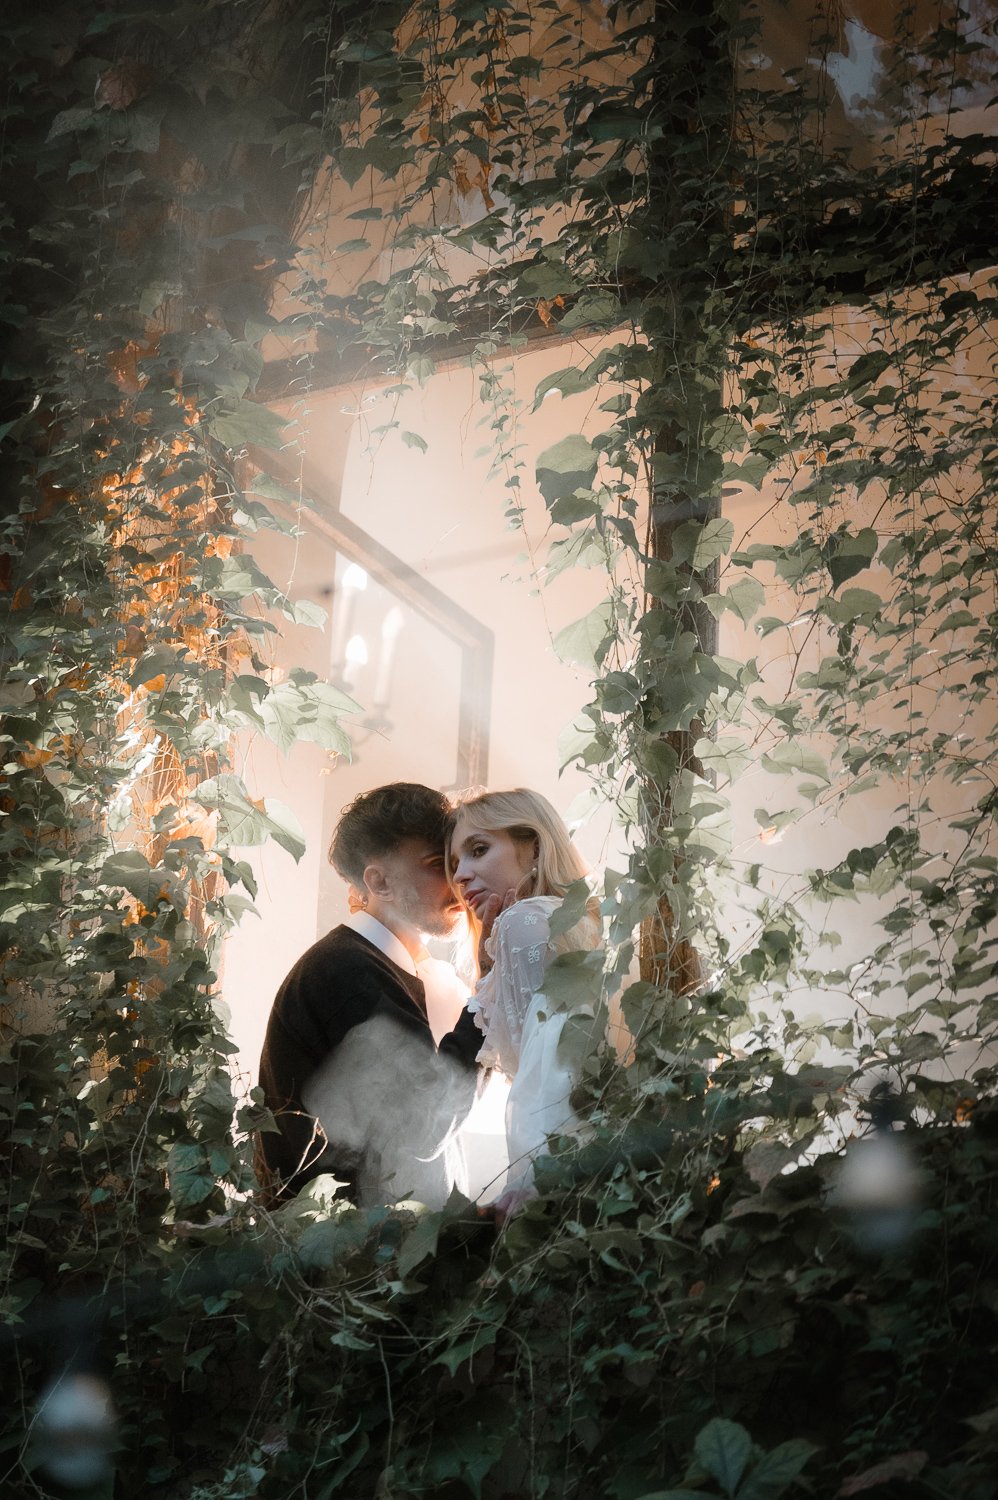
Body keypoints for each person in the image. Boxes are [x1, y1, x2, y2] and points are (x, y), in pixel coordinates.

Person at [257, 782, 480, 1206]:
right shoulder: (347, 970)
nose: (458, 880)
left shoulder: (401, 968)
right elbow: (422, 1126)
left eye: (456, 861)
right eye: (437, 864)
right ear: (379, 882)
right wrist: (486, 1001)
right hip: (350, 1256)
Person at [444, 788, 601, 1210]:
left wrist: (526, 1193)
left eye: (478, 850)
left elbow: (550, 1081)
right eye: (455, 863)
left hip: (558, 1186)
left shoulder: (523, 922)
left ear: (533, 845)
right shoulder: (572, 920)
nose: (459, 877)